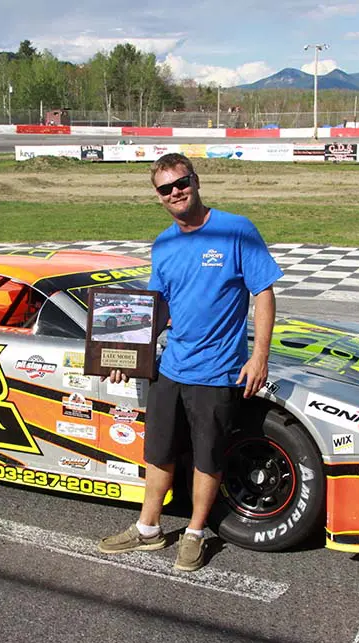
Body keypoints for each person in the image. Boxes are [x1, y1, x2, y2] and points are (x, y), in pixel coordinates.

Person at [98, 153, 282, 571]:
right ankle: (148, 529)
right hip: (171, 367)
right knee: (159, 452)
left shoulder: (236, 229)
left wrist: (259, 356)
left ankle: (195, 533)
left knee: (207, 458)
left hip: (217, 371)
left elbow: (264, 292)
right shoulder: (164, 244)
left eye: (181, 183)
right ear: (158, 197)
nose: (176, 192)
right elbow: (158, 308)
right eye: (166, 188)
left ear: (195, 181)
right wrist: (126, 351)